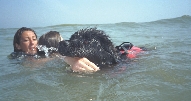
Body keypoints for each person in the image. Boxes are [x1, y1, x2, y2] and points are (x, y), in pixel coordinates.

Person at [12, 27, 99, 72]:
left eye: (34, 39)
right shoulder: (18, 57)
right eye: (26, 40)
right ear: (18, 46)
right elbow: (31, 63)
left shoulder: (41, 52)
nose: (32, 43)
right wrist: (64, 59)